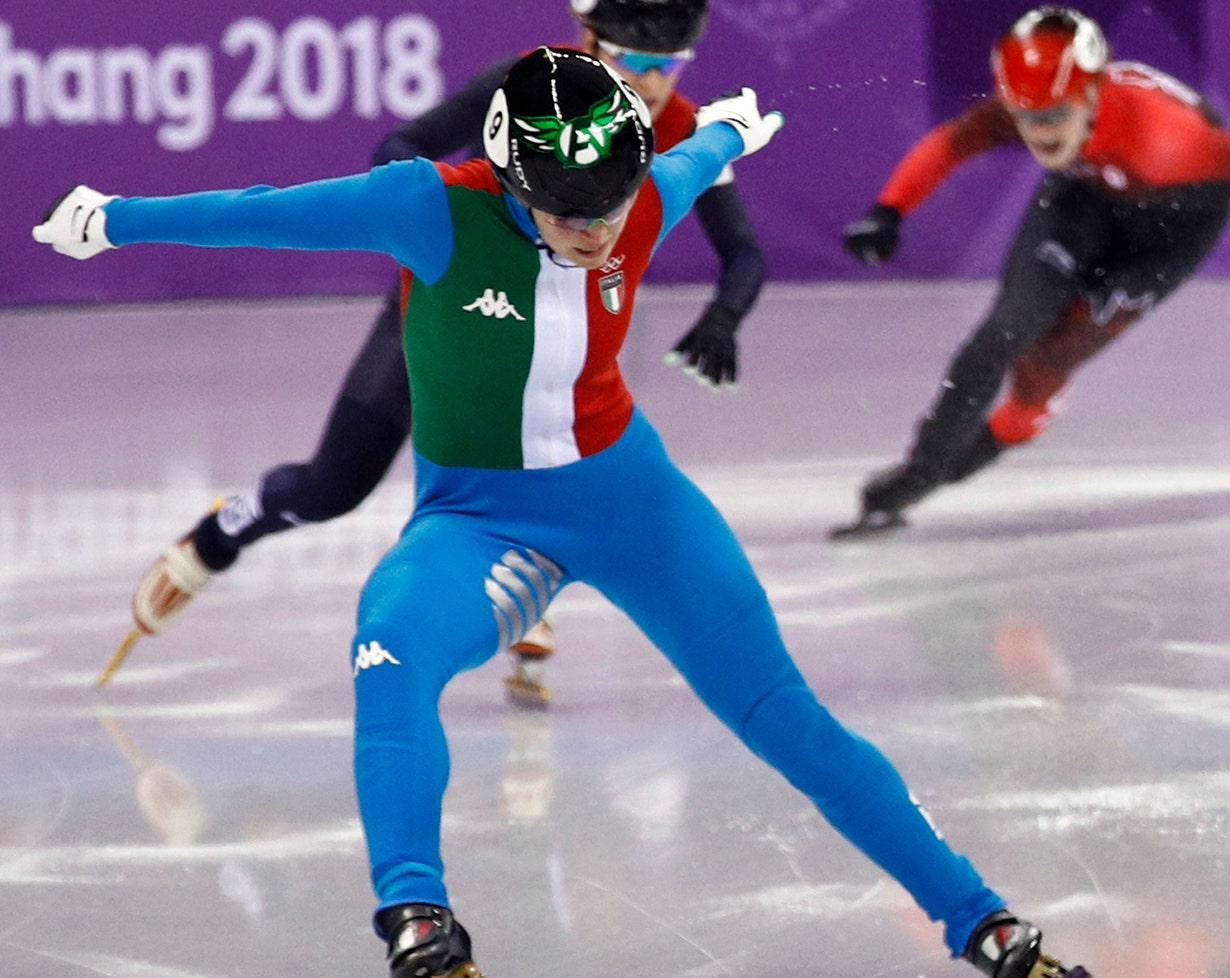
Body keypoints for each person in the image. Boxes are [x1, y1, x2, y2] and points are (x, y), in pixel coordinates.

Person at [37, 48, 1096, 978]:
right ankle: (416, 915)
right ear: (506, 176)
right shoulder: (430, 211)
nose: (599, 228)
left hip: (632, 504)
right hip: (479, 518)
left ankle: (980, 917)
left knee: (783, 717)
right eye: (571, 210)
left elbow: (689, 160)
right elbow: (264, 214)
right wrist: (113, 217)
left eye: (614, 201)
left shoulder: (636, 195)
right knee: (388, 651)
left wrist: (726, 131)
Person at [103, 0, 766, 709]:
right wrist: (439, 212)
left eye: (669, 64)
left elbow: (743, 252)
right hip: (451, 311)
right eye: (635, 61)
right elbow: (401, 146)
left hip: (564, 331)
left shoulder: (673, 127)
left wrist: (725, 316)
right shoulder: (524, 88)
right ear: (589, 39)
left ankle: (527, 585)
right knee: (334, 487)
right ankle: (224, 530)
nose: (656, 82)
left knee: (563, 455)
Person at [830, 5, 1230, 538]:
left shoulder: (1170, 140)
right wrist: (889, 210)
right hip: (1085, 192)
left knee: (1044, 364)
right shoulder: (1040, 103)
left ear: (1092, 96)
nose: (1039, 132)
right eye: (1024, 116)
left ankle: (1024, 415)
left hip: (1172, 228)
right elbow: (952, 143)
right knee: (1004, 331)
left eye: (1054, 115)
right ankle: (919, 474)